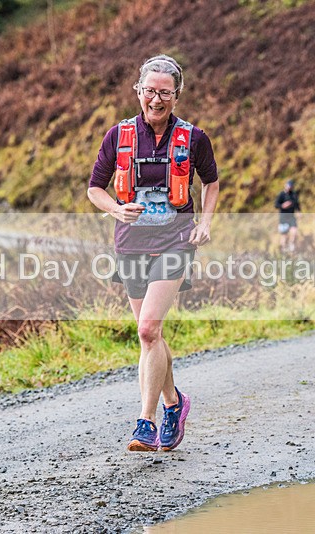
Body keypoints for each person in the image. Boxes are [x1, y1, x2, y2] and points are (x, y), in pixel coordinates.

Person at [88, 54, 220, 451]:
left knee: (148, 328)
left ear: (177, 95)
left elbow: (211, 182)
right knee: (151, 336)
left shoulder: (194, 138)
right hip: (130, 242)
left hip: (176, 240)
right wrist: (115, 207)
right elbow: (94, 188)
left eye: (165, 92)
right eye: (150, 91)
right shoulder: (118, 135)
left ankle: (144, 423)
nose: (157, 99)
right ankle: (174, 405)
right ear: (138, 92)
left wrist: (206, 223)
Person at [274, 179, 300, 253]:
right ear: (286, 186)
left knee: (294, 231)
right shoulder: (281, 195)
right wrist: (283, 206)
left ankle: (291, 245)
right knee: (284, 235)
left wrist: (299, 211)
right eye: (288, 186)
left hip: (291, 217)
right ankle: (283, 250)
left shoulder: (293, 195)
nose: (289, 188)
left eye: (291, 187)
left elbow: (297, 204)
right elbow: (276, 205)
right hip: (283, 217)